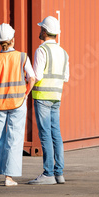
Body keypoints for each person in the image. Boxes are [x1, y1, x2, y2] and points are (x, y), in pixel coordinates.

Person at [0, 23, 35, 187]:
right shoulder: (22, 56)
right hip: (18, 103)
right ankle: (9, 178)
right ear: (13, 39)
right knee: (14, 139)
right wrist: (26, 93)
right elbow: (32, 77)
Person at [28, 16, 70, 185]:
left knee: (45, 135)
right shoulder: (64, 52)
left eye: (41, 29)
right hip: (56, 98)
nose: (39, 31)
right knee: (56, 135)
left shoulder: (42, 50)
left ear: (44, 31)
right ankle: (59, 173)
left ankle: (48, 174)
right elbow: (65, 77)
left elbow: (36, 76)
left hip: (42, 98)